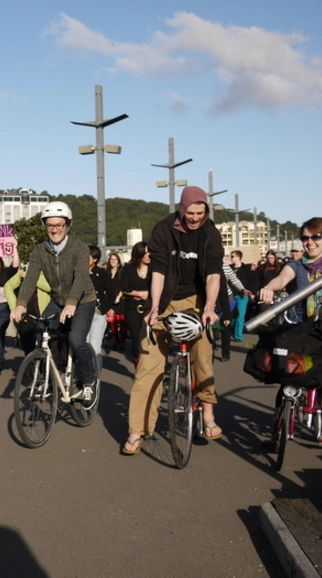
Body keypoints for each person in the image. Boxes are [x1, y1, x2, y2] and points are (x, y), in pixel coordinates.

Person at [122, 186, 223, 455]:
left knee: (203, 354)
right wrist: (155, 307)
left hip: (197, 299)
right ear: (181, 209)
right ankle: (137, 429)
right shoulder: (163, 229)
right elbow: (158, 270)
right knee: (148, 363)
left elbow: (214, 273)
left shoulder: (210, 232)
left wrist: (210, 308)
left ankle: (208, 414)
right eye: (190, 213)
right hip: (165, 297)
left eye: (200, 213)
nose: (195, 218)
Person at [259, 217, 322, 447]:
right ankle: (277, 432)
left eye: (316, 237)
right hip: (302, 327)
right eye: (305, 238)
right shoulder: (296, 265)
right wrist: (267, 289)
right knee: (288, 377)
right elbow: (282, 279)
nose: (310, 242)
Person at [10, 201, 98, 405]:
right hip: (57, 301)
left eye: (59, 225)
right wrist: (21, 303)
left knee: (76, 340)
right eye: (50, 225)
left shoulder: (79, 248)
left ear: (67, 225)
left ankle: (88, 381)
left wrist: (72, 302)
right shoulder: (40, 250)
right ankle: (55, 375)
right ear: (45, 226)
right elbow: (30, 277)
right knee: (41, 335)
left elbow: (81, 278)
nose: (55, 229)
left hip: (83, 300)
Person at [4, 267, 51, 356]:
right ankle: (31, 368)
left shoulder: (48, 273)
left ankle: (43, 368)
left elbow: (49, 287)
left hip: (43, 315)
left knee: (44, 347)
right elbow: (8, 286)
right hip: (25, 316)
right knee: (28, 348)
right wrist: (15, 307)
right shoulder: (23, 272)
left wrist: (31, 278)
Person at [120, 241, 151, 368]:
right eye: (147, 253)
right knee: (136, 339)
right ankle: (138, 365)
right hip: (133, 308)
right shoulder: (128, 268)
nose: (150, 255)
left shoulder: (155, 268)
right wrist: (139, 293)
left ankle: (151, 367)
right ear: (139, 254)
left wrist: (148, 294)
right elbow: (124, 287)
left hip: (150, 307)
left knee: (151, 339)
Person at [88, 245, 114, 374]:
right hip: (81, 313)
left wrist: (102, 309)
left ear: (95, 259)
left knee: (95, 346)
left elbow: (111, 294)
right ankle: (85, 376)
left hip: (97, 313)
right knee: (83, 345)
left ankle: (95, 376)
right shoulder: (78, 273)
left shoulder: (103, 274)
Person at [227, 250, 257, 341]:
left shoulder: (246, 268)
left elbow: (251, 281)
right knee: (231, 315)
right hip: (231, 294)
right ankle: (231, 332)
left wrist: (251, 292)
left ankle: (238, 336)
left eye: (232, 256)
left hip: (242, 295)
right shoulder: (229, 268)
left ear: (238, 258)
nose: (231, 258)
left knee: (240, 315)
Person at [104, 251, 126, 352]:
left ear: (118, 261)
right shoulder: (106, 272)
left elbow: (125, 285)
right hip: (110, 301)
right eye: (111, 259)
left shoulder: (122, 272)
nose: (113, 261)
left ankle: (122, 342)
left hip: (121, 301)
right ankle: (116, 339)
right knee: (112, 322)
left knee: (122, 323)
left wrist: (119, 296)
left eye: (115, 260)